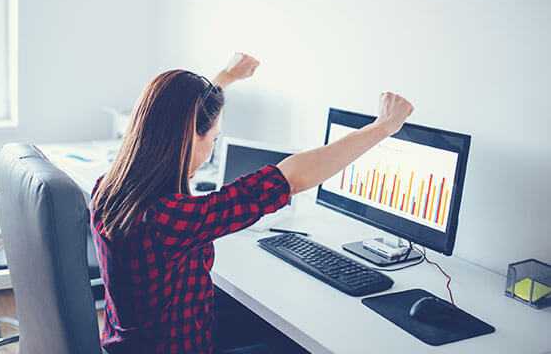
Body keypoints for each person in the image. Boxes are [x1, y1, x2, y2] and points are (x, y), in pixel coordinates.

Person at [90, 53, 414, 354]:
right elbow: (290, 178)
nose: (211, 150)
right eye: (213, 139)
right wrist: (383, 126)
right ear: (190, 136)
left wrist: (225, 78)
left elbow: (175, 113)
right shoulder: (172, 219)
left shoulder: (108, 188)